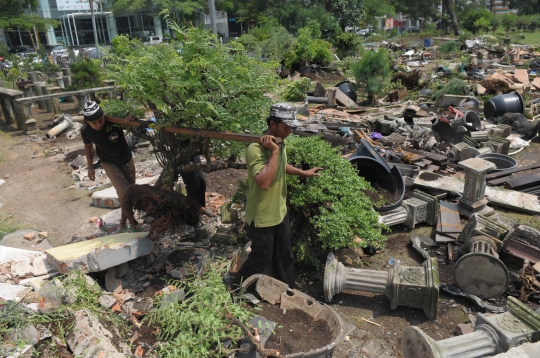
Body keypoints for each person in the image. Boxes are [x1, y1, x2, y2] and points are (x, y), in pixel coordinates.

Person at [231, 103, 323, 289]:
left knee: (284, 254)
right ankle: (235, 287)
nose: (289, 131)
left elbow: (280, 165)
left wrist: (301, 172)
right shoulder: (256, 149)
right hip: (262, 216)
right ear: (272, 123)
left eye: (291, 127)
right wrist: (274, 151)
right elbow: (264, 183)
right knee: (262, 256)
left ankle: (288, 290)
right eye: (286, 126)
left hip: (279, 212)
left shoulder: (280, 140)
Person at [81, 101, 138, 231]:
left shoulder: (114, 121)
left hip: (126, 158)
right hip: (108, 162)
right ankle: (133, 222)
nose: (99, 124)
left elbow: (133, 124)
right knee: (124, 191)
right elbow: (88, 147)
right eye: (94, 123)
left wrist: (131, 117)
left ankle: (123, 223)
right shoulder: (86, 131)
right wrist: (90, 168)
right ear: (87, 122)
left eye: (101, 120)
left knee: (130, 192)